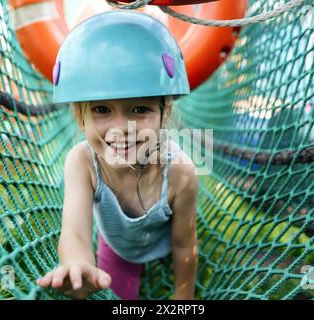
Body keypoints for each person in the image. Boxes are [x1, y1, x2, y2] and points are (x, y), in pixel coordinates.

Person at [36, 10, 199, 300]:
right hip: (117, 246)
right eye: (102, 109)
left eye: (139, 109)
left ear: (165, 114)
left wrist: (183, 295)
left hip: (162, 242)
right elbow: (74, 232)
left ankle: (154, 262)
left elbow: (184, 243)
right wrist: (78, 262)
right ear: (80, 117)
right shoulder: (82, 161)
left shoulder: (180, 172)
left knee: (171, 255)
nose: (121, 128)